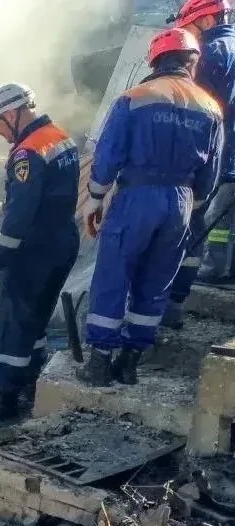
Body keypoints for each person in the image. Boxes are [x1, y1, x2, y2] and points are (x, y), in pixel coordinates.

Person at [81, 28, 223, 384]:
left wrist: (95, 198)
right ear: (192, 63)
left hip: (137, 197)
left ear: (155, 60)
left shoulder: (135, 97)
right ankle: (129, 363)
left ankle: (99, 363)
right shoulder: (211, 108)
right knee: (157, 281)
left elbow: (108, 154)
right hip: (181, 201)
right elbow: (212, 171)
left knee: (114, 274)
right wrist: (193, 201)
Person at [0, 83, 80, 421]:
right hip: (62, 243)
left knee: (10, 325)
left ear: (12, 114)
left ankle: (5, 399)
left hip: (33, 251)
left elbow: (19, 216)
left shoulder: (27, 152)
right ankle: (30, 387)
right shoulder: (61, 137)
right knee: (35, 322)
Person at [164, 0, 235, 328]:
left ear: (206, 19)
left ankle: (212, 271)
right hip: (229, 154)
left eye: (189, 27)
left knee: (207, 225)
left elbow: (199, 112)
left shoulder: (212, 53)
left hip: (218, 157)